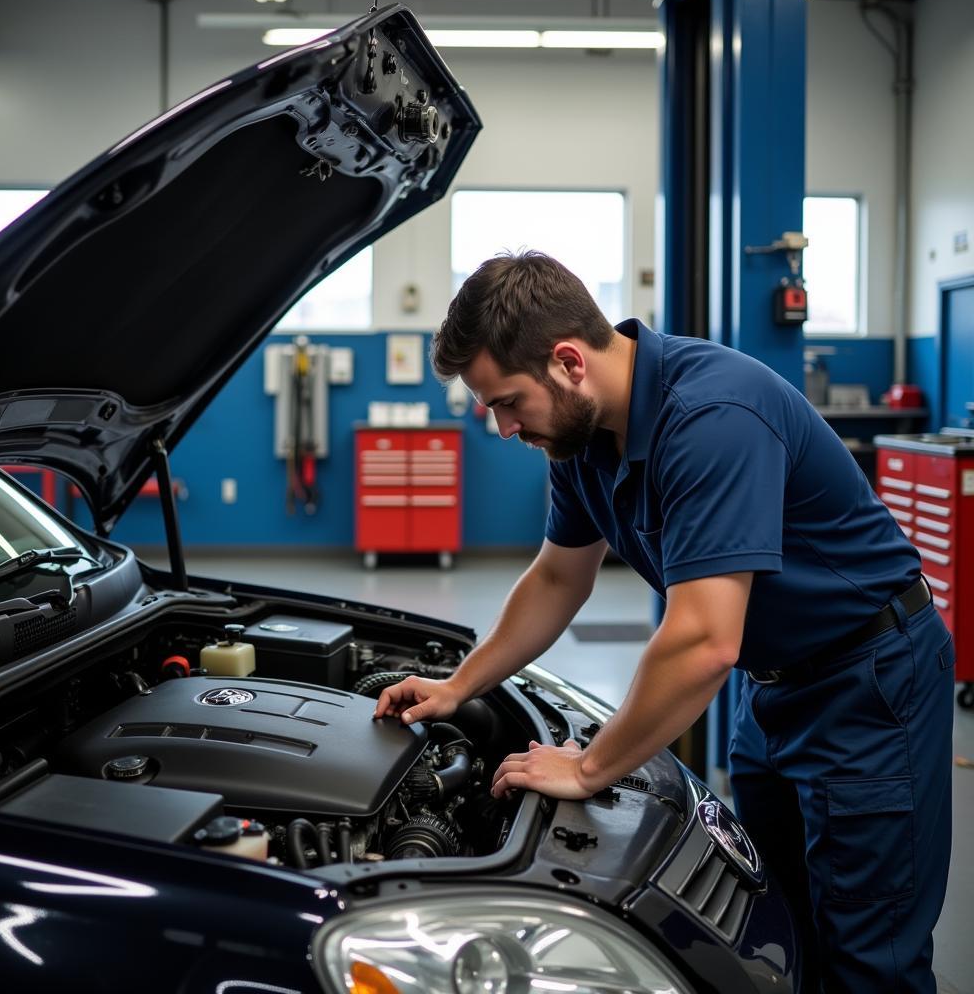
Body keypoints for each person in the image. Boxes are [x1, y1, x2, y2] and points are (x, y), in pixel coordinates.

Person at [372, 251, 954, 994]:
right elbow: (557, 577)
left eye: (508, 402)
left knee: (871, 957)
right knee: (787, 932)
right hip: (772, 687)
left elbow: (705, 641)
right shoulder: (581, 440)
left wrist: (588, 768)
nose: (504, 428)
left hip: (871, 686)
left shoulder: (709, 419)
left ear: (569, 361)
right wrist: (460, 686)